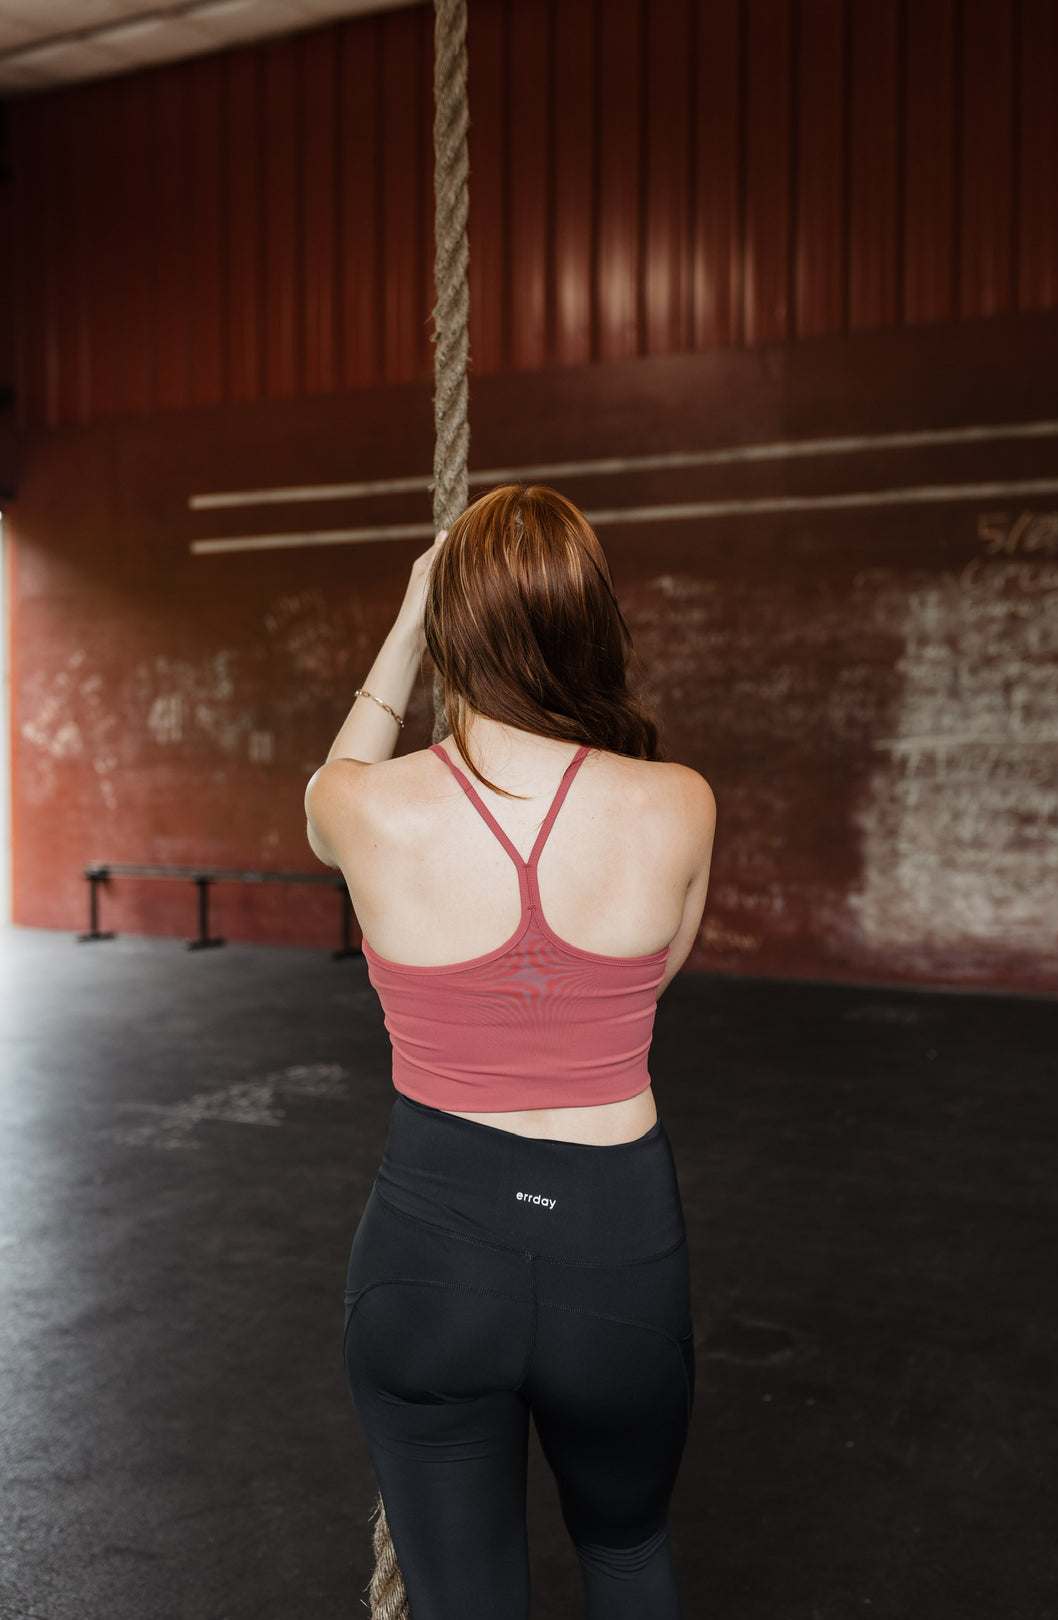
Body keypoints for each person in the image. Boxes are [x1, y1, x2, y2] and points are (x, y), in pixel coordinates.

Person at [304, 484, 716, 1620]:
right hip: (615, 1249)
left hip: (431, 1256)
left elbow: (321, 794)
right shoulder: (679, 804)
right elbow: (651, 978)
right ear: (588, 623)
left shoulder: (367, 812)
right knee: (628, 1551)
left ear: (448, 625)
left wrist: (401, 626)